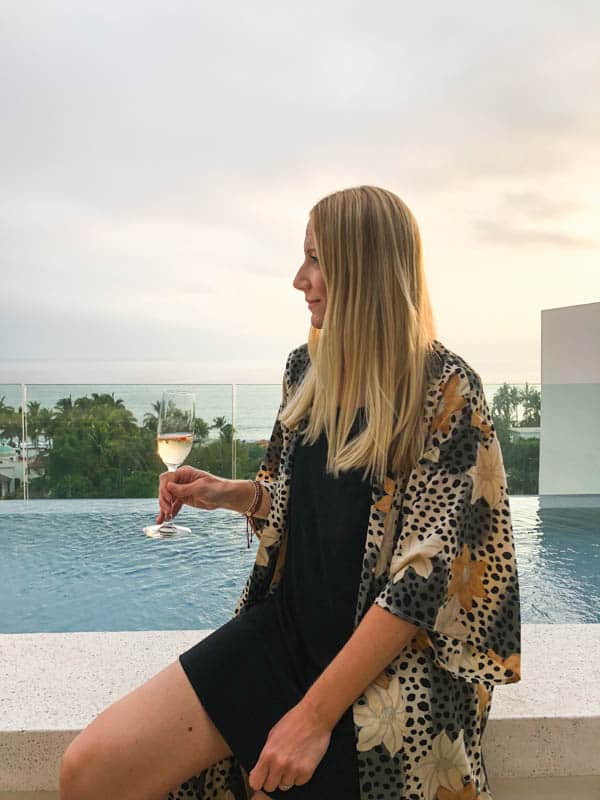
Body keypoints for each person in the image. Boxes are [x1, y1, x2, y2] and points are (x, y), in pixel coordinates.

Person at [59, 186, 521, 800]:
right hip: (283, 632)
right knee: (90, 770)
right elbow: (299, 502)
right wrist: (232, 494)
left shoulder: (445, 389)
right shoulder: (305, 371)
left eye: (316, 259)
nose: (299, 279)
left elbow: (422, 578)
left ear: (365, 266)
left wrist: (312, 717)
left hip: (384, 672)